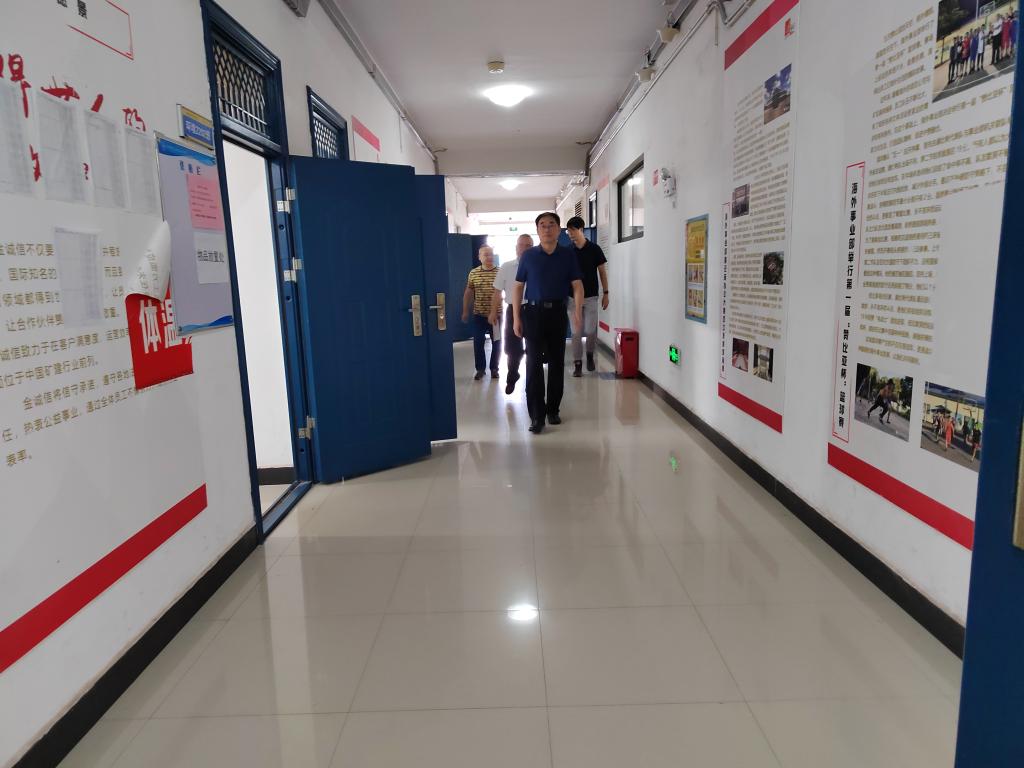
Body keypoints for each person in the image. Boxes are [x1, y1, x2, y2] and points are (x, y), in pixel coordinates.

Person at [512, 212, 584, 434]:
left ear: (558, 229)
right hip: (533, 313)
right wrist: (516, 317)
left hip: (557, 313)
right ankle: (536, 415)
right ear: (537, 230)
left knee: (556, 363)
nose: (546, 228)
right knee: (533, 364)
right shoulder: (528, 256)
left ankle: (553, 409)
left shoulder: (568, 255)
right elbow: (518, 287)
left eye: (551, 224)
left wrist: (577, 312)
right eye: (542, 225)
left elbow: (577, 285)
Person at [564, 215, 609, 377]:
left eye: (572, 231)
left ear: (581, 229)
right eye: (568, 232)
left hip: (591, 297)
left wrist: (606, 293)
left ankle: (589, 354)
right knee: (576, 332)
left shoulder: (595, 249)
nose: (570, 234)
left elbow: (602, 272)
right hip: (572, 298)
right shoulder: (567, 251)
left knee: (590, 330)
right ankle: (577, 363)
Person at [489, 233, 533, 394]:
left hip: (533, 310)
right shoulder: (506, 267)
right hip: (512, 310)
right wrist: (493, 311)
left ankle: (532, 382)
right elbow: (497, 292)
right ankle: (512, 375)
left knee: (533, 347)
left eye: (528, 246)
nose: (524, 248)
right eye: (521, 245)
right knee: (512, 348)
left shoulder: (537, 266)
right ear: (516, 248)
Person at [462, 245, 501, 380]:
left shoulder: (500, 272)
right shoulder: (473, 273)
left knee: (496, 342)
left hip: (496, 316)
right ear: (479, 257)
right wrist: (465, 311)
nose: (489, 257)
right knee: (478, 342)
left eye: (491, 254)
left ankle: (494, 368)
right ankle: (480, 369)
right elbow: (468, 292)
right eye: (485, 254)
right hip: (479, 314)